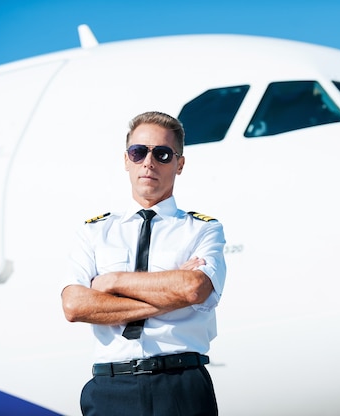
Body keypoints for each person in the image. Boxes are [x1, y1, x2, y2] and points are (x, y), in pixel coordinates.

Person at [61, 111, 226, 416]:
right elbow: (74, 306)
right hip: (111, 388)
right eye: (139, 152)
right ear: (127, 160)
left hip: (181, 387)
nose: (149, 162)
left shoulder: (203, 229)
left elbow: (193, 289)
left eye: (162, 154)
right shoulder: (94, 231)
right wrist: (168, 296)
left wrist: (111, 282)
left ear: (180, 164)